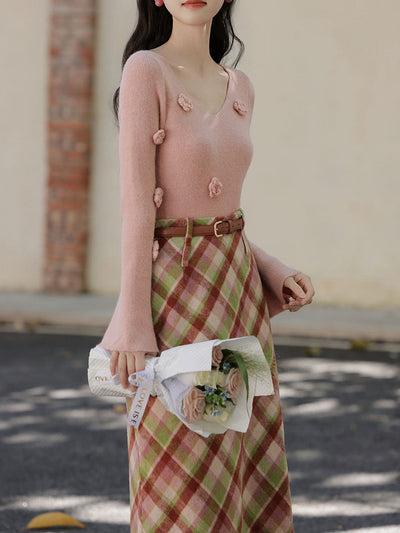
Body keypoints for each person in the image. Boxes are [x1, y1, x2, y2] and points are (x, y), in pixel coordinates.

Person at [97, 0, 315, 531]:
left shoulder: (241, 87)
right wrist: (130, 319)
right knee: (182, 459)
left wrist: (269, 267)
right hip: (174, 296)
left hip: (234, 295)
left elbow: (221, 213)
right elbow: (137, 206)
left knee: (233, 455)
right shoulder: (144, 70)